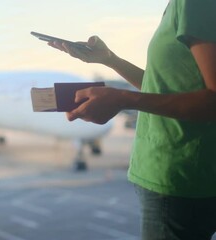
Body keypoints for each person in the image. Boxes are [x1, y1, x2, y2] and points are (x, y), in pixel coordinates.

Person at [47, 0, 216, 239]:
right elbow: (164, 86)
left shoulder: (194, 4)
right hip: (178, 177)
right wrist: (110, 59)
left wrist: (123, 99)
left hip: (179, 177)